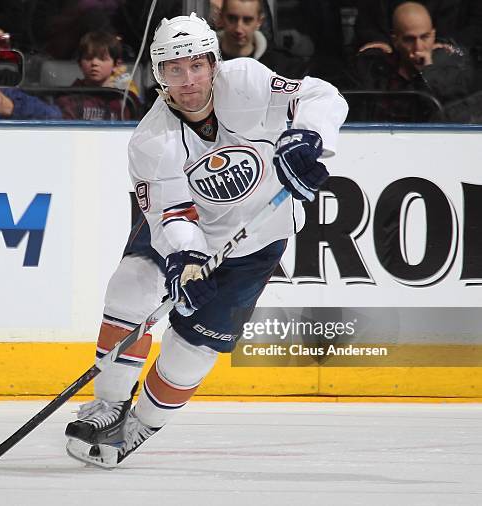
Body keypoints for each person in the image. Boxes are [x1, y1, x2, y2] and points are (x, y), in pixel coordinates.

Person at [64, 12, 347, 468]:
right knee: (132, 284)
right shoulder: (150, 140)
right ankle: (110, 404)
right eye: (174, 69)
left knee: (191, 353)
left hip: (256, 242)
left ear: (214, 63)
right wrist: (188, 256)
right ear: (158, 75)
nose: (188, 79)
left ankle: (139, 426)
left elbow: (323, 95)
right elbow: (173, 213)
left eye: (196, 65)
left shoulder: (249, 82)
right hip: (186, 237)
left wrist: (307, 138)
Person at [352, 1, 473, 120]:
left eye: (425, 37)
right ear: (395, 41)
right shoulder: (376, 74)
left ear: (434, 36)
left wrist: (429, 72)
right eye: (409, 39)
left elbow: (457, 121)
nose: (418, 47)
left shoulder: (451, 74)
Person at [56, 30, 140, 120]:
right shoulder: (68, 98)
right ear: (80, 63)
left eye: (102, 59)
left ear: (116, 65)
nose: (94, 63)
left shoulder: (126, 100)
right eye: (88, 58)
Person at [217, 0, 307, 78]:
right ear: (221, 17)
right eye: (232, 18)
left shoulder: (282, 68)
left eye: (247, 20)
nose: (238, 28)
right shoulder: (206, 61)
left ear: (259, 21)